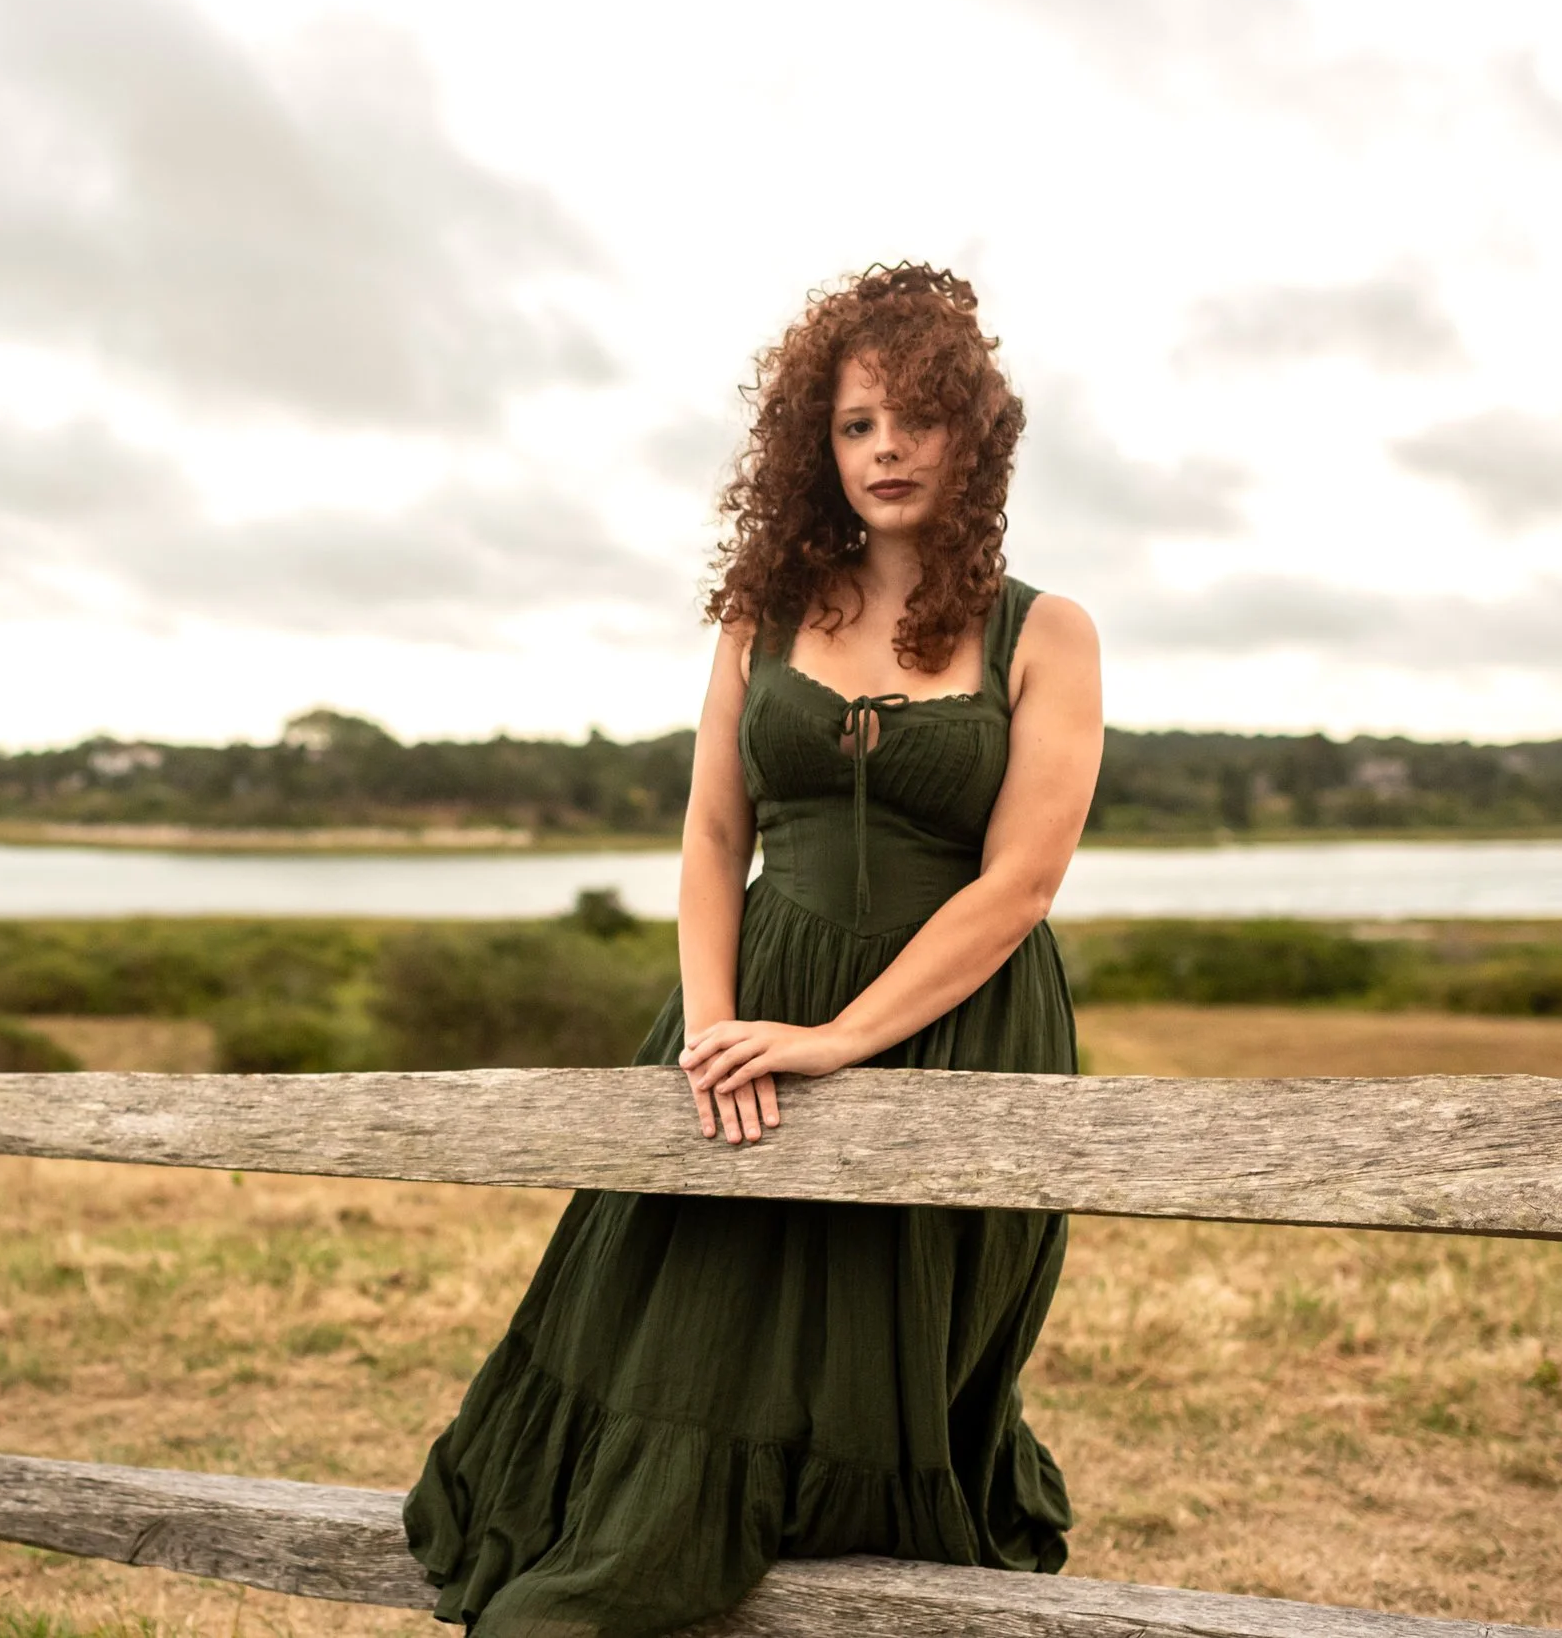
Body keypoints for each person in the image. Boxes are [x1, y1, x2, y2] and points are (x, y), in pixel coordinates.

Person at [401, 263, 1105, 1637]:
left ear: (976, 432)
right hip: (746, 1016)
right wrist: (714, 1023)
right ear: (815, 446)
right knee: (688, 1337)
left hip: (959, 1032)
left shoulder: (1047, 632)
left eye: (914, 418)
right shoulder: (761, 619)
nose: (885, 449)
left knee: (873, 1361)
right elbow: (716, 838)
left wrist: (845, 1038)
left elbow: (1020, 881)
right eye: (854, 425)